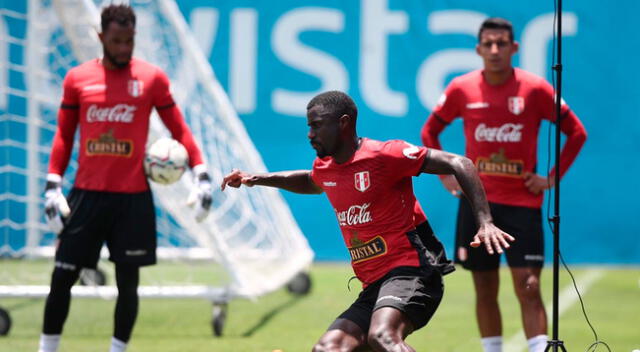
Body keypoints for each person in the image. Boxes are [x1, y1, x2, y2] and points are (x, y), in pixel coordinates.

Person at [221, 90, 514, 352]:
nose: (310, 134)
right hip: (374, 283)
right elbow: (311, 181)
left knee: (383, 336)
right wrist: (256, 178)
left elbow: (459, 163)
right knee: (329, 348)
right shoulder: (326, 167)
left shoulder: (385, 155)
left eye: (317, 125)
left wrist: (485, 221)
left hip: (413, 272)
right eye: (309, 126)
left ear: (344, 123)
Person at [38, 5, 213, 352]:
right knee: (62, 278)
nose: (123, 48)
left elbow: (179, 128)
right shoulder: (77, 79)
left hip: (133, 199)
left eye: (129, 41)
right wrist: (53, 183)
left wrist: (201, 173)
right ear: (101, 37)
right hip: (86, 196)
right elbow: (64, 134)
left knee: (127, 283)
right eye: (116, 41)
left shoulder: (151, 79)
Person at [420, 17, 587, 352]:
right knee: (484, 287)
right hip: (476, 205)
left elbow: (577, 133)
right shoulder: (461, 88)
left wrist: (551, 179)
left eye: (501, 44)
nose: (495, 50)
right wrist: (445, 175)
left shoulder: (536, 89)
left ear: (514, 48)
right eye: (488, 44)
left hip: (523, 205)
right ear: (479, 49)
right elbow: (429, 133)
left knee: (528, 285)